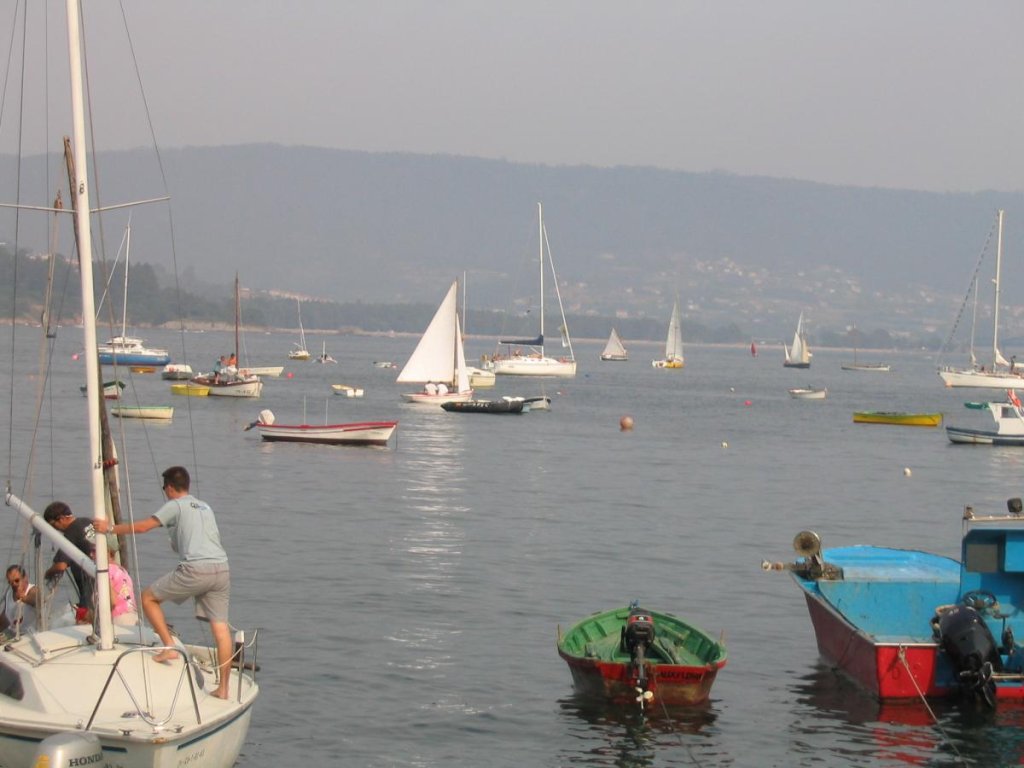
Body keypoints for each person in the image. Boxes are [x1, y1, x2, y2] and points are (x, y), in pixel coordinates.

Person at [94, 466, 233, 699]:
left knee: (148, 597)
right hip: (222, 569)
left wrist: (109, 528)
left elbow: (144, 527)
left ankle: (169, 648)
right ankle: (224, 689)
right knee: (220, 629)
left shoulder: (175, 505)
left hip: (197, 569)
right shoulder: (205, 507)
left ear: (169, 487)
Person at [43, 501, 95, 620]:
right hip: (106, 579)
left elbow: (61, 565)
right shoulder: (87, 522)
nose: (55, 529)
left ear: (61, 519)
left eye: (53, 525)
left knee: (86, 620)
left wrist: (49, 573)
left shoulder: (71, 531)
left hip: (89, 586)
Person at [0, 565, 37, 635]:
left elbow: (35, 600)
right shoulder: (9, 594)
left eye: (17, 580)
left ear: (25, 578)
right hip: (13, 635)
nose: (14, 584)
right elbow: (4, 617)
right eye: (11, 582)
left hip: (31, 635)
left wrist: (23, 597)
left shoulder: (33, 590)